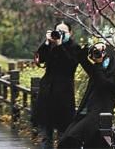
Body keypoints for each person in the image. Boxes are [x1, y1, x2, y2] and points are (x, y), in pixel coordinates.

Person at [57, 41, 115, 149]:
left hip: (98, 117)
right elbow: (82, 60)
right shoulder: (96, 70)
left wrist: (98, 65)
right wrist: (86, 50)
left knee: (71, 138)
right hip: (84, 114)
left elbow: (103, 84)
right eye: (97, 51)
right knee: (65, 141)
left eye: (102, 51)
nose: (100, 55)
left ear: (110, 54)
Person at [31, 21, 83, 149]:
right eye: (57, 31)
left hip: (63, 96)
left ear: (70, 33)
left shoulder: (75, 47)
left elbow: (70, 65)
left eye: (63, 32)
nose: (59, 34)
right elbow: (40, 58)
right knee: (45, 136)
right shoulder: (50, 45)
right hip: (47, 95)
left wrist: (59, 45)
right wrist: (47, 42)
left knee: (63, 136)